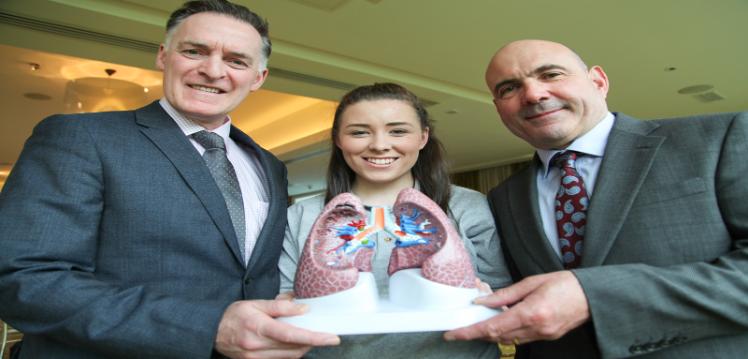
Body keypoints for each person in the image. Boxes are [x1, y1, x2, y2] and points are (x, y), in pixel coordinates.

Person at [0, 1, 339, 358]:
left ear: (258, 78)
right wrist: (210, 328)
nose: (212, 70)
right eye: (195, 51)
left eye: (236, 61)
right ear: (163, 56)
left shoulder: (270, 165)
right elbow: (22, 279)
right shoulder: (80, 137)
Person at [444, 39, 748, 358]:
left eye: (551, 74)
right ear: (498, 108)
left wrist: (594, 297)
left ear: (599, 81)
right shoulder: (502, 197)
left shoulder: (721, 138)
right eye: (509, 88)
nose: (533, 94)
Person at [278, 82, 512, 358]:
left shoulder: (467, 205)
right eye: (359, 132)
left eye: (398, 131)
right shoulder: (302, 215)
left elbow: (502, 295)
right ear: (338, 139)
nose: (379, 145)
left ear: (423, 137)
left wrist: (487, 299)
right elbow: (285, 301)